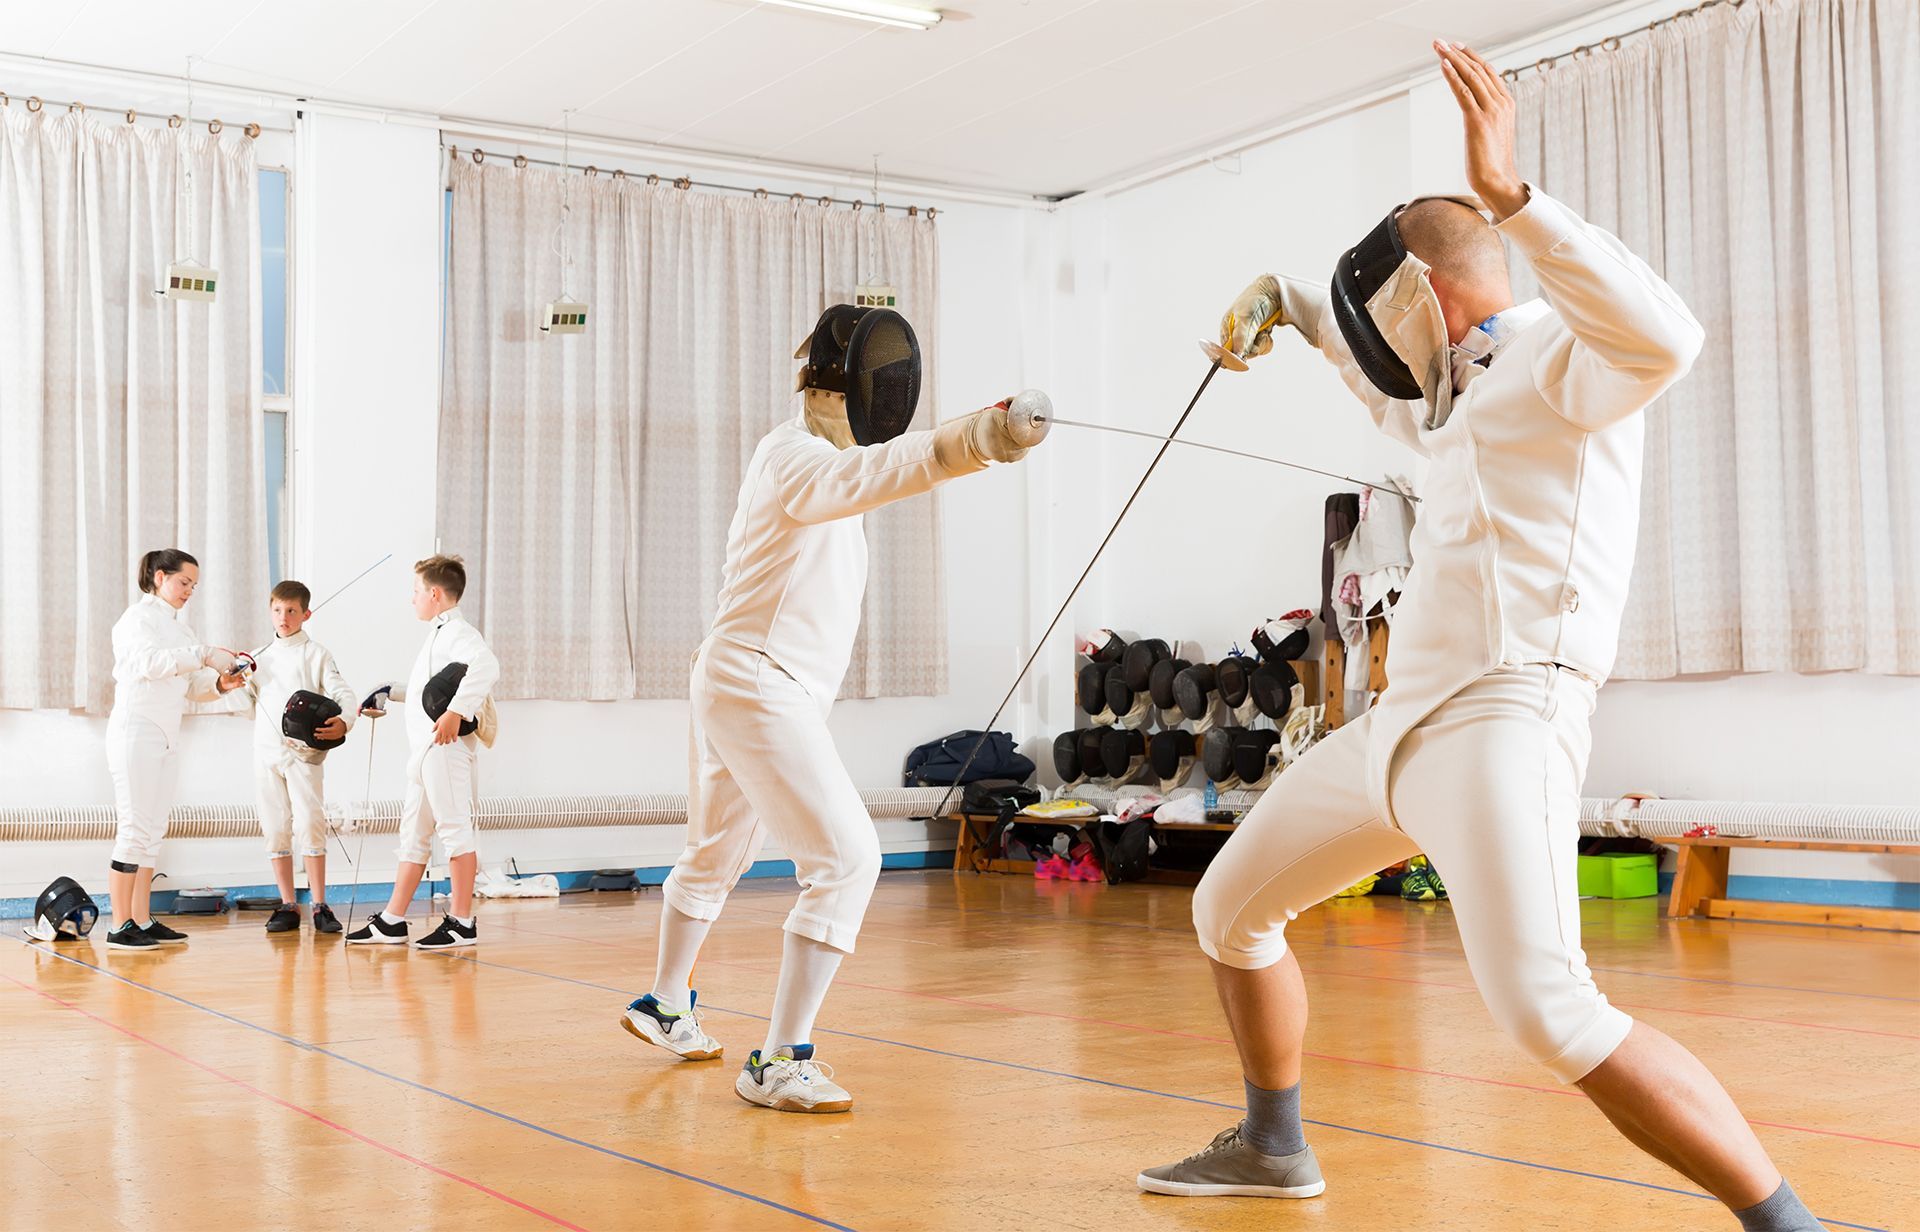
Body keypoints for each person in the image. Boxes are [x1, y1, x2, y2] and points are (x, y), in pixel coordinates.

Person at [1137, 41, 1827, 1232]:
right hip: (1398, 731)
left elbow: (1670, 340)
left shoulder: (1568, 359)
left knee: (1550, 1012)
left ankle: (1787, 1221)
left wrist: (1517, 199)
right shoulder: (1457, 399)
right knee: (1229, 907)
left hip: (1509, 719)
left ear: (1428, 297)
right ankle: (1272, 1143)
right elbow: (1382, 394)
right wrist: (1290, 303)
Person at [621, 305, 1045, 1114]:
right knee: (849, 861)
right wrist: (976, 441)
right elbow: (868, 476)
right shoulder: (795, 457)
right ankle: (780, 1060)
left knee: (716, 855)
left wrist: (977, 432)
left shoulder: (811, 462)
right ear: (833, 385)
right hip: (757, 680)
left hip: (743, 677)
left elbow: (865, 477)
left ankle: (665, 1004)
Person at [346, 554, 499, 950]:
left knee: (454, 830)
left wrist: (455, 712)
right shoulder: (438, 634)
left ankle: (463, 922)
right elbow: (426, 691)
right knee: (413, 834)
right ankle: (393, 921)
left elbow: (486, 666)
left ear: (434, 593)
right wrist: (388, 691)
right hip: (426, 752)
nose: (411, 599)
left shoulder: (460, 634)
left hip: (445, 748)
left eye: (415, 591)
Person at [103, 548, 246, 950]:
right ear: (160, 576)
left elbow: (191, 687)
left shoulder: (182, 631)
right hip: (136, 731)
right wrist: (204, 655)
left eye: (194, 586)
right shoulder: (137, 620)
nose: (189, 592)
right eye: (184, 582)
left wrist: (220, 684)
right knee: (133, 829)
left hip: (166, 734)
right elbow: (150, 663)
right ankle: (119, 925)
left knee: (152, 833)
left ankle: (142, 919)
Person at [244, 579, 358, 935]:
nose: (284, 617)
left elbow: (344, 694)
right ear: (270, 611)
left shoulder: (317, 654)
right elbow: (245, 704)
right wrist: (236, 679)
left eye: (292, 611)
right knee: (275, 828)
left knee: (310, 824)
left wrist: (345, 722)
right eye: (278, 610)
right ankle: (287, 904)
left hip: (303, 756)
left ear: (306, 614)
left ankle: (320, 904)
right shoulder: (258, 658)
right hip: (266, 754)